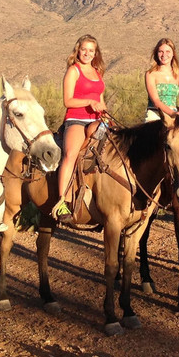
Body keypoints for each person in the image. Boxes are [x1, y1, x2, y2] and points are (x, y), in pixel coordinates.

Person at [52, 35, 106, 220]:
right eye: (84, 49)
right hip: (76, 119)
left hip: (97, 120)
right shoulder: (73, 71)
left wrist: (104, 111)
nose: (87, 53)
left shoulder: (98, 72)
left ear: (95, 53)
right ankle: (63, 202)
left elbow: (101, 99)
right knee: (71, 154)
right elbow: (68, 101)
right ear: (78, 50)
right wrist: (89, 102)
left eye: (91, 50)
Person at [144, 38, 179, 121]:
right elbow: (156, 101)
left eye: (168, 51)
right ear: (156, 53)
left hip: (174, 114)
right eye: (161, 51)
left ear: (173, 53)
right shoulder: (150, 74)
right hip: (155, 115)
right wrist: (173, 114)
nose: (164, 55)